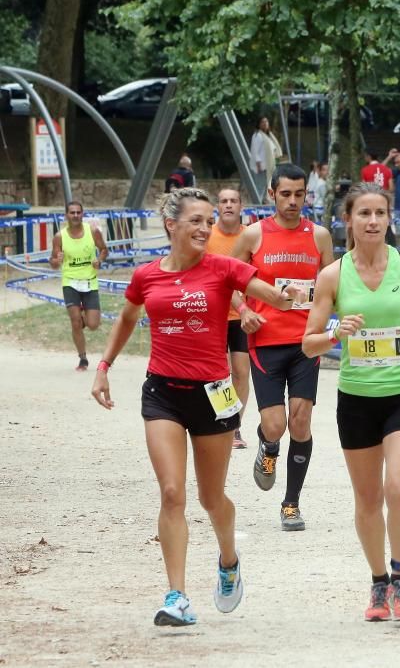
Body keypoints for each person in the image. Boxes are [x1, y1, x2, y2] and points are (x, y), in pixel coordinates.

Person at [90, 187, 306, 626]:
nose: (206, 228)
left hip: (212, 396)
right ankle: (177, 597)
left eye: (209, 221)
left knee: (211, 498)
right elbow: (129, 317)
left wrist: (295, 294)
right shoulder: (146, 276)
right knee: (172, 493)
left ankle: (229, 560)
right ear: (172, 225)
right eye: (197, 221)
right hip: (163, 394)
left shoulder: (224, 267)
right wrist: (104, 365)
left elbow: (272, 293)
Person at [302, 183, 400, 621]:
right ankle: (378, 582)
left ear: (389, 218)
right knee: (367, 500)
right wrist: (334, 334)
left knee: (397, 488)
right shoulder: (332, 275)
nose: (372, 221)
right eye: (363, 213)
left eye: (379, 213)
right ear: (348, 219)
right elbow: (308, 344)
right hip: (357, 399)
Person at [231, 163, 336, 530]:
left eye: (300, 194)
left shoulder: (319, 236)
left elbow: (332, 285)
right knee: (275, 425)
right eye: (286, 194)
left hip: (306, 342)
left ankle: (291, 504)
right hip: (265, 341)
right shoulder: (253, 235)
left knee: (301, 422)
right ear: (271, 194)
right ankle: (268, 446)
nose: (293, 201)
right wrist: (243, 310)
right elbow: (228, 281)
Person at [206, 188, 252, 448]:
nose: (229, 205)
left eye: (233, 201)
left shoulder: (250, 236)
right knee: (219, 373)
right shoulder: (209, 236)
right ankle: (222, 422)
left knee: (241, 373)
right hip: (214, 314)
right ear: (217, 206)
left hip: (243, 315)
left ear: (241, 205)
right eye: (223, 201)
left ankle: (234, 426)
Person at [49, 201, 108, 371]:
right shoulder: (59, 237)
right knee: (75, 322)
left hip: (90, 281)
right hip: (70, 282)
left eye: (78, 212)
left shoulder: (92, 231)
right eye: (72, 213)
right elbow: (52, 262)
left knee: (93, 325)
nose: (75, 215)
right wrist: (56, 261)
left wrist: (99, 260)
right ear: (66, 215)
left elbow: (104, 249)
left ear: (82, 214)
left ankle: (84, 318)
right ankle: (83, 359)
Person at [250, 117, 283, 195]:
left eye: (266, 121)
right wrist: (258, 165)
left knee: (266, 187)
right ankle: (257, 204)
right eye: (262, 122)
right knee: (259, 188)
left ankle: (263, 204)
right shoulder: (257, 135)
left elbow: (273, 150)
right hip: (261, 167)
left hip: (268, 166)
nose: (265, 123)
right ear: (259, 124)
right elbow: (255, 151)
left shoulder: (269, 136)